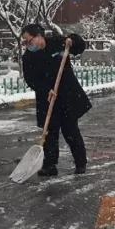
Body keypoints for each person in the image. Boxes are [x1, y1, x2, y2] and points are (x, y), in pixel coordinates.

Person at [20, 24, 90, 177]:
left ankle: (80, 162)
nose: (27, 45)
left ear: (39, 36)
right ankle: (50, 165)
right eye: (24, 42)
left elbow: (79, 47)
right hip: (47, 97)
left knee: (70, 130)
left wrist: (73, 40)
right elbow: (30, 79)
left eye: (29, 40)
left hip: (66, 95)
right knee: (49, 132)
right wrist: (46, 89)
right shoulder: (28, 57)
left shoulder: (57, 43)